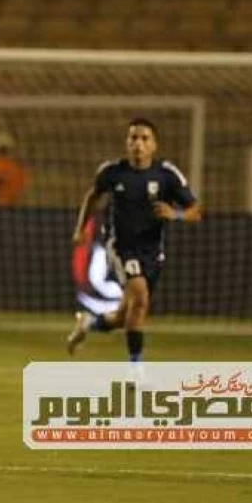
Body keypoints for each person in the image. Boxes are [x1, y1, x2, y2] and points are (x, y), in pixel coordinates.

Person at [66, 118, 201, 363]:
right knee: (140, 297)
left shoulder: (166, 175)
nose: (138, 143)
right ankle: (135, 369)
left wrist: (176, 214)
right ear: (127, 143)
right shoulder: (113, 172)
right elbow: (92, 196)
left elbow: (195, 210)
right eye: (133, 138)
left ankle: (88, 323)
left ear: (154, 145)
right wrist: (80, 229)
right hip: (120, 246)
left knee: (125, 315)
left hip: (152, 251)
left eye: (144, 138)